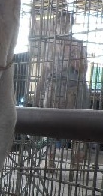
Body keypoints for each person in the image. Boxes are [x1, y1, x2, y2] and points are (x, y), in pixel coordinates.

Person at [34, 10, 89, 169]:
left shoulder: (78, 44)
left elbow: (83, 68)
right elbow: (45, 70)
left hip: (74, 89)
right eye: (60, 22)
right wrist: (39, 92)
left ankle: (76, 163)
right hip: (54, 88)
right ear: (56, 25)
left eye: (66, 23)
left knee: (77, 126)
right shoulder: (51, 45)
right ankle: (50, 160)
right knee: (51, 125)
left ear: (71, 24)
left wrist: (72, 56)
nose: (63, 26)